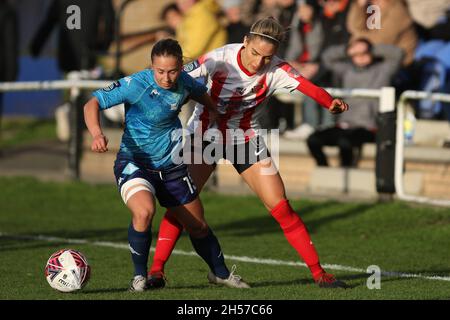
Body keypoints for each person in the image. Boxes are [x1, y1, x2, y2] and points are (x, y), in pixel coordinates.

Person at [147, 17, 350, 289]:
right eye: (255, 53)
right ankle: (157, 272)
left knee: (280, 205)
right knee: (183, 203)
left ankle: (319, 274)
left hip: (246, 138)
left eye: (267, 57)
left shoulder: (278, 70)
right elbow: (177, 77)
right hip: (204, 136)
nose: (258, 62)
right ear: (245, 42)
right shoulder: (219, 59)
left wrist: (330, 103)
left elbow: (307, 87)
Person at [83, 39, 250, 291]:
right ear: (152, 67)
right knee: (144, 211)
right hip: (134, 162)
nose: (166, 77)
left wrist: (214, 109)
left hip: (172, 166)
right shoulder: (135, 84)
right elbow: (91, 103)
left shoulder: (185, 82)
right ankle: (139, 278)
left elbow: (200, 92)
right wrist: (97, 133)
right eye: (160, 71)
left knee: (197, 225)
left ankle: (222, 274)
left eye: (172, 71)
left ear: (181, 67)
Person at [307, 39, 404, 167]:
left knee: (345, 142)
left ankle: (346, 170)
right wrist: (347, 49)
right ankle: (324, 169)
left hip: (369, 127)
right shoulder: (346, 70)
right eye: (356, 54)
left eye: (364, 53)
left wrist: (370, 48)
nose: (361, 57)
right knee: (313, 140)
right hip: (345, 125)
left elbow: (398, 54)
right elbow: (327, 57)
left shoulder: (383, 71)